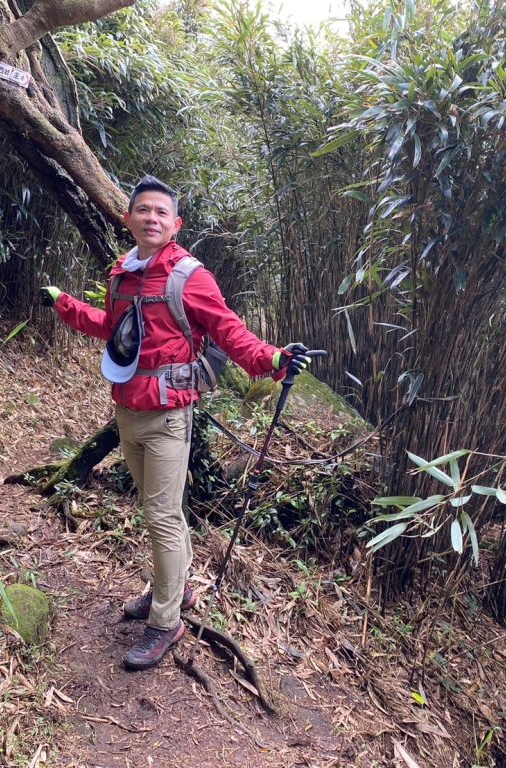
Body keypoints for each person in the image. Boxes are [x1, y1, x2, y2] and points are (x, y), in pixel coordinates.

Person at [41, 175, 315, 670]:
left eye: (160, 212)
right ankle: (177, 589)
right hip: (127, 407)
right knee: (155, 510)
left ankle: (166, 622)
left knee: (162, 515)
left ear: (175, 223)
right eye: (142, 210)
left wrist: (272, 359)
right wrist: (65, 304)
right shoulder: (121, 274)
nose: (151, 218)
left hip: (169, 414)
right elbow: (111, 329)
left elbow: (228, 331)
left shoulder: (189, 276)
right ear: (128, 218)